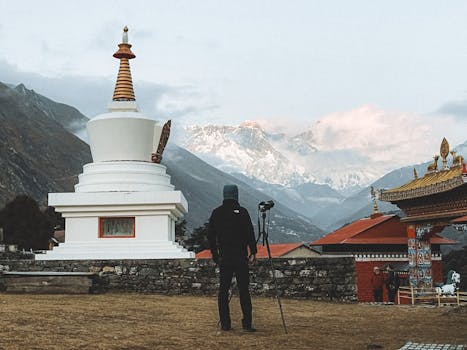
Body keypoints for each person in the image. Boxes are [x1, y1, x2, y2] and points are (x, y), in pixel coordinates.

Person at [208, 184, 257, 332]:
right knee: (244, 291)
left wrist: (216, 256)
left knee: (223, 291)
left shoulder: (216, 213)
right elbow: (250, 233)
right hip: (241, 257)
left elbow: (210, 236)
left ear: (224, 195)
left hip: (225, 258)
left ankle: (225, 324)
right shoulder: (242, 212)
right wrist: (253, 252)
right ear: (236, 195)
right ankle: (247, 324)